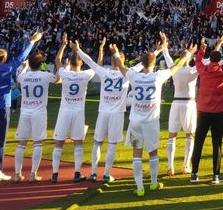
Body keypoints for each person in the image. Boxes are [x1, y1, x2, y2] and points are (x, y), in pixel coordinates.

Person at [112, 39, 193, 197]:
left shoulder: (134, 76)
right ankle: (154, 183)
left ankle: (140, 187)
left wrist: (115, 52)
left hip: (136, 121)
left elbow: (121, 66)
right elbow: (176, 67)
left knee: (137, 154)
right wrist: (188, 54)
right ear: (155, 63)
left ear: (141, 64)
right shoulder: (158, 76)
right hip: (151, 122)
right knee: (153, 153)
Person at [75, 37, 147, 183]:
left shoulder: (104, 72)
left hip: (103, 112)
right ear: (121, 61)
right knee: (112, 144)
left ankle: (94, 173)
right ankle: (107, 174)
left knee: (97, 143)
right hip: (117, 113)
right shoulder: (127, 73)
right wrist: (158, 50)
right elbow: (142, 64)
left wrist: (77, 50)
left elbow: (89, 61)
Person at [0, 30, 41, 182]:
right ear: (4, 59)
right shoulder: (7, 68)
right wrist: (32, 41)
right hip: (1, 109)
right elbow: (22, 57)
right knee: (0, 141)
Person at [190, 33, 223, 184]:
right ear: (219, 60)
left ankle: (194, 174)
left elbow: (198, 60)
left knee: (198, 142)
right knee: (217, 143)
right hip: (218, 112)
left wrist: (202, 48)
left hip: (203, 111)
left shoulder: (203, 70)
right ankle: (216, 175)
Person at [51, 35, 96, 183]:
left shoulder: (65, 72)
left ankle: (54, 174)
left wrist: (63, 45)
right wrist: (80, 50)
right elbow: (96, 65)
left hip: (64, 111)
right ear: (81, 63)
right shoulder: (85, 74)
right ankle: (77, 173)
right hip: (78, 112)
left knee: (59, 144)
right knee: (78, 143)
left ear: (69, 63)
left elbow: (57, 61)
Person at [14, 49, 57, 182]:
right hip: (39, 112)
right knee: (37, 143)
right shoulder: (45, 75)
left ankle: (17, 174)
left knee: (21, 143)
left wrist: (24, 67)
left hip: (25, 112)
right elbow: (57, 79)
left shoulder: (23, 76)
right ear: (41, 63)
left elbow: (17, 78)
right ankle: (33, 174)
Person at [160, 33, 198, 178]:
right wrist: (194, 53)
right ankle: (185, 165)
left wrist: (164, 42)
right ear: (189, 59)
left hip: (176, 103)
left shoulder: (174, 68)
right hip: (188, 103)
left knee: (172, 135)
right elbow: (206, 62)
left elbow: (166, 54)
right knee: (189, 135)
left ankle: (170, 167)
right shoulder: (193, 70)